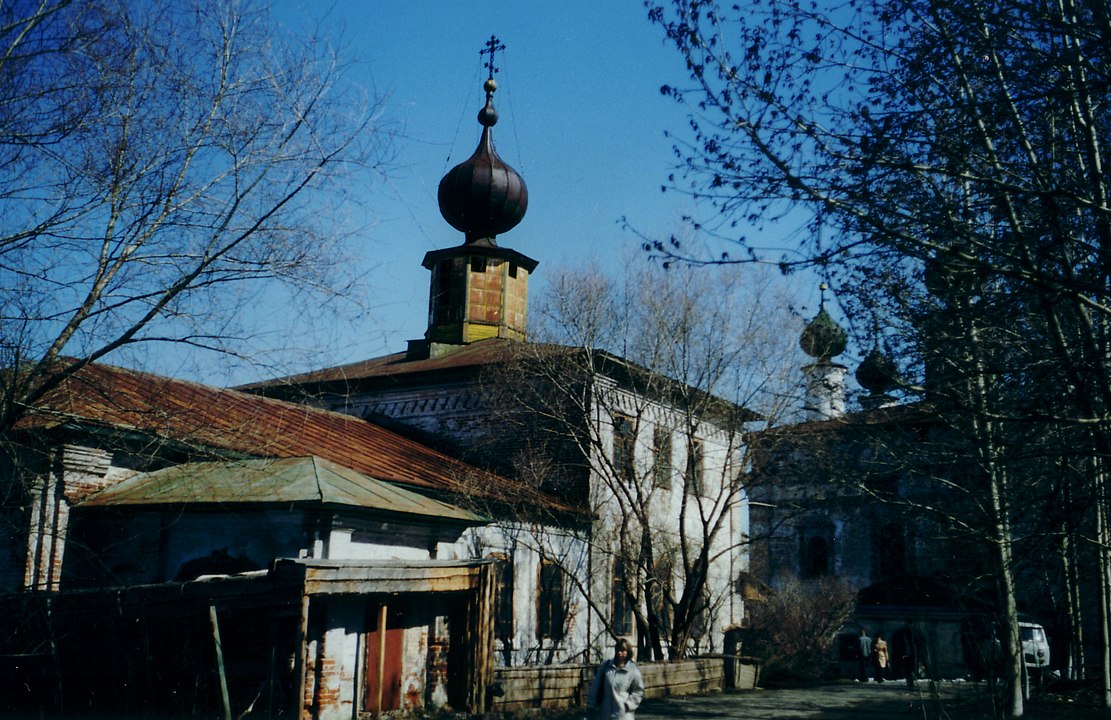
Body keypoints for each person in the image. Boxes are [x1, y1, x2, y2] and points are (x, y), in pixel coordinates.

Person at [587, 638, 645, 720]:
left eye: (622, 651)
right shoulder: (606, 667)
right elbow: (595, 686)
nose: (619, 653)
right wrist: (591, 705)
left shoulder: (633, 671)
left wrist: (628, 705)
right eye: (618, 650)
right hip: (604, 714)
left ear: (628, 652)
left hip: (623, 715)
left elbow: (638, 690)